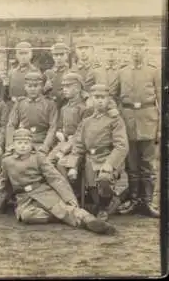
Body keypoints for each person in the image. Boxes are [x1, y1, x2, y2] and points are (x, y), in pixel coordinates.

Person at [0, 128, 117, 236]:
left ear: (31, 144)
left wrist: (69, 198)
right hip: (24, 199)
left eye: (26, 143)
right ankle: (62, 216)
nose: (23, 146)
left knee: (66, 208)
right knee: (26, 216)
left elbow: (55, 178)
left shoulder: (39, 158)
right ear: (13, 145)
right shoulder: (7, 161)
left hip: (44, 193)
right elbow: (4, 187)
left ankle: (91, 221)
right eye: (19, 143)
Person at [67, 84, 129, 221]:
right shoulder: (86, 121)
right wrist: (73, 166)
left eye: (103, 98)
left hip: (107, 157)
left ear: (108, 100)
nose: (100, 101)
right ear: (91, 100)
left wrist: (110, 164)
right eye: (96, 97)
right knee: (92, 189)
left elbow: (121, 146)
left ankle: (104, 208)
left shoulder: (115, 120)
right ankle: (107, 201)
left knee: (104, 178)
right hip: (90, 159)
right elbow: (78, 146)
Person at [117, 33, 160, 217]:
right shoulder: (122, 72)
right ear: (128, 51)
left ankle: (148, 202)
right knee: (132, 165)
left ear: (145, 50)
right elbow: (113, 96)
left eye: (140, 48)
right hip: (127, 122)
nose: (136, 52)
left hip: (148, 121)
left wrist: (161, 128)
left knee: (148, 164)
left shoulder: (154, 71)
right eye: (133, 48)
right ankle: (134, 201)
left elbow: (162, 100)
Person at [6, 72, 58, 155]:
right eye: (29, 86)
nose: (32, 89)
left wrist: (46, 146)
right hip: (23, 141)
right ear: (25, 87)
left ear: (41, 87)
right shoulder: (20, 103)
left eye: (36, 86)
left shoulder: (50, 104)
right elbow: (11, 125)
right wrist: (10, 145)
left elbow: (53, 127)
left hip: (41, 142)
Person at [87, 39, 123, 105]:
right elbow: (87, 89)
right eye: (108, 50)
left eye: (114, 50)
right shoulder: (95, 71)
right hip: (98, 104)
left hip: (115, 105)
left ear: (118, 52)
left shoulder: (122, 71)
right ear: (104, 52)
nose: (111, 52)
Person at [4, 41, 40, 107]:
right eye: (21, 53)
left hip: (30, 106)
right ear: (16, 55)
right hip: (13, 106)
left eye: (26, 53)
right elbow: (7, 94)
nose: (23, 56)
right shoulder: (11, 73)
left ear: (31, 54)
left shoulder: (36, 72)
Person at [43, 42, 71, 108]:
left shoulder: (72, 72)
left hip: (66, 106)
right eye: (56, 55)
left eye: (61, 54)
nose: (59, 57)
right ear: (53, 56)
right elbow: (39, 92)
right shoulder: (48, 73)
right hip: (50, 107)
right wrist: (45, 88)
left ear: (66, 55)